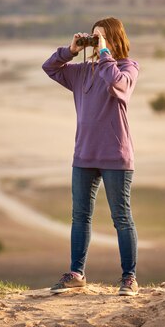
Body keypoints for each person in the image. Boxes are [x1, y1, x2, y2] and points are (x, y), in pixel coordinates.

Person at [41, 16, 140, 296]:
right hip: (84, 155)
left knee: (121, 217)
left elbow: (119, 86)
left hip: (115, 156)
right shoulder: (81, 72)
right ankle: (76, 273)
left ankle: (129, 278)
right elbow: (50, 68)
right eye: (93, 39)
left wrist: (106, 53)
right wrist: (69, 51)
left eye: (100, 38)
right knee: (80, 217)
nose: (95, 44)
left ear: (113, 39)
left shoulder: (127, 67)